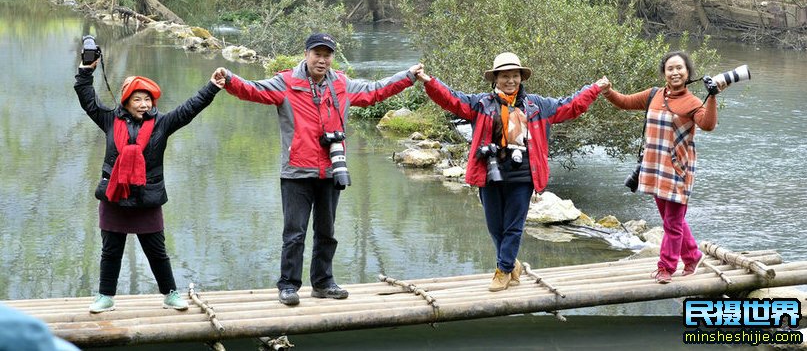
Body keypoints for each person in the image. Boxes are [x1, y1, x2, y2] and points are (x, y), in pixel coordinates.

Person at [212, 32, 423, 306]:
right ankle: (288, 285)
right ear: (306, 54)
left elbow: (375, 91)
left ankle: (323, 283)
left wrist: (407, 76)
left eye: (327, 55)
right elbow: (254, 89)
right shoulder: (286, 82)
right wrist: (229, 79)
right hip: (296, 172)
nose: (322, 60)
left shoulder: (343, 84)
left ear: (331, 58)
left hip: (331, 171)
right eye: (317, 54)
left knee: (327, 232)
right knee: (294, 233)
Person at [414, 52, 609, 292]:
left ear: (521, 78)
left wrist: (595, 88)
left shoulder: (537, 105)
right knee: (495, 227)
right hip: (490, 173)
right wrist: (428, 81)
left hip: (524, 175)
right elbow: (451, 99)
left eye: (515, 76)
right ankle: (511, 264)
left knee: (514, 226)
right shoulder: (481, 104)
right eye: (505, 76)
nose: (510, 80)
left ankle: (503, 269)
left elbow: (570, 105)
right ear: (495, 78)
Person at [75, 59, 223, 313]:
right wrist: (85, 71)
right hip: (114, 196)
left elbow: (189, 109)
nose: (144, 104)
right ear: (126, 101)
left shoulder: (162, 124)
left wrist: (211, 87)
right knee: (111, 251)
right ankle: (105, 296)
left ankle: (171, 294)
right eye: (138, 100)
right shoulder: (110, 120)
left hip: (147, 198)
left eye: (148, 99)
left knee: (157, 251)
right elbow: (88, 99)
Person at [601, 50, 717, 284]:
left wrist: (712, 96)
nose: (675, 72)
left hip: (678, 171)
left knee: (673, 223)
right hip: (655, 168)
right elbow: (624, 102)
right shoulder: (654, 95)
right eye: (670, 68)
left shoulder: (693, 102)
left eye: (679, 68)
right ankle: (692, 255)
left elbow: (708, 124)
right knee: (671, 220)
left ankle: (666, 267)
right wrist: (608, 91)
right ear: (664, 73)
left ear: (687, 73)